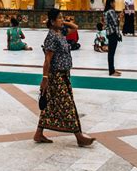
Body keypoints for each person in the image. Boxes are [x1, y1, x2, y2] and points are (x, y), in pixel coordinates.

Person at [34, 8, 95, 147]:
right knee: (68, 105)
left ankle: (38, 134)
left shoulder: (60, 32)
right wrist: (45, 78)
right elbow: (47, 60)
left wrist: (63, 22)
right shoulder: (51, 36)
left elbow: (75, 27)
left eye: (62, 17)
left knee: (50, 104)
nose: (62, 20)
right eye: (59, 18)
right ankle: (79, 137)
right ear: (52, 21)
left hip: (64, 74)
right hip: (55, 76)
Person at [104, 0, 121, 76]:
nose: (115, 4)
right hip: (112, 33)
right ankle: (111, 71)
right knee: (111, 53)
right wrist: (118, 34)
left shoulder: (107, 11)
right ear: (111, 3)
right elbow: (115, 23)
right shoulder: (111, 11)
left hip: (110, 33)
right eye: (114, 2)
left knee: (111, 52)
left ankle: (112, 69)